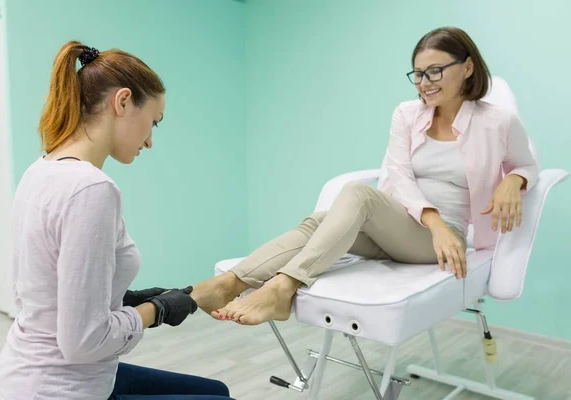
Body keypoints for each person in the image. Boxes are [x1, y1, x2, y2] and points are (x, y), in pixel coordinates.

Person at [189, 26, 538, 326]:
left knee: (358, 194)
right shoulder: (407, 114)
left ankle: (282, 287)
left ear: (468, 67)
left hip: (443, 240)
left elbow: (528, 166)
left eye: (435, 71)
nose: (424, 83)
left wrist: (513, 180)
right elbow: (399, 175)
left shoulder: (499, 121)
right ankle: (231, 283)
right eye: (417, 74)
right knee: (319, 223)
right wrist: (432, 220)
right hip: (409, 226)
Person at [0, 42, 233, 400]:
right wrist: (160, 311)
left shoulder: (41, 169)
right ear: (121, 102)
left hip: (16, 379)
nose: (149, 141)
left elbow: (41, 289)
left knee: (216, 391)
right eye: (153, 122)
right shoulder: (91, 189)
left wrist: (124, 299)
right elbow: (84, 342)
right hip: (55, 389)